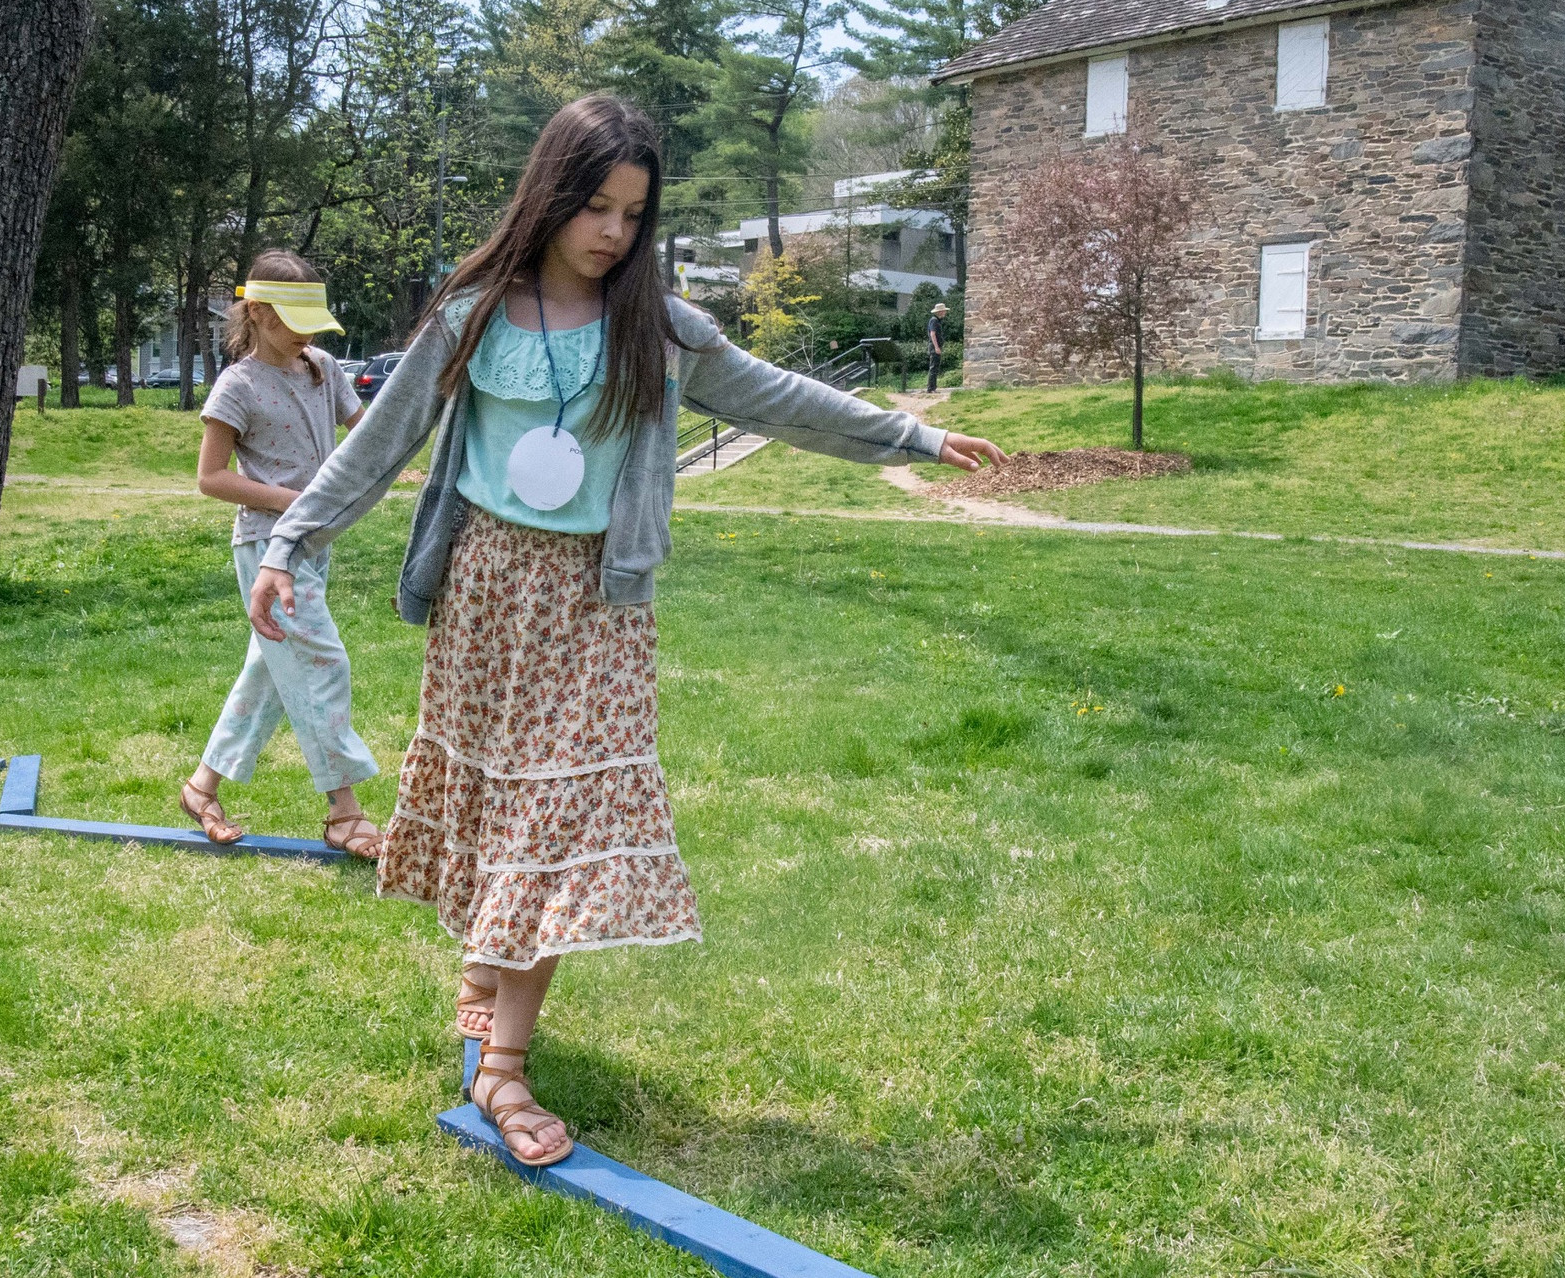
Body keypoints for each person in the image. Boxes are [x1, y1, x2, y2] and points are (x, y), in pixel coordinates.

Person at [248, 95, 1004, 1166]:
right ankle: (490, 966)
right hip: (487, 598)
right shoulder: (472, 312)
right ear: (550, 197)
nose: (612, 232)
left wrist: (913, 435)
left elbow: (778, 399)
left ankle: (504, 1066)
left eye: (633, 215)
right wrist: (291, 545)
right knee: (502, 810)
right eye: (595, 206)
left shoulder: (657, 326)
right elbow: (378, 441)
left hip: (596, 607)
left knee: (558, 825)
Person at [177, 249, 385, 858]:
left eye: (315, 318)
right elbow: (211, 478)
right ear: (260, 312)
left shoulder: (322, 366)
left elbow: (366, 433)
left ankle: (200, 788)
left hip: (315, 544)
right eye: (296, 318)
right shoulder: (236, 385)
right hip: (267, 547)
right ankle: (344, 812)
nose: (310, 332)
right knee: (322, 663)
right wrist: (294, 498)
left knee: (269, 673)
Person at [927, 301, 949, 393]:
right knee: (933, 367)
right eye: (943, 311)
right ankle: (931, 388)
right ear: (939, 312)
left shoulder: (936, 320)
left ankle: (933, 387)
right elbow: (933, 334)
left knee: (935, 367)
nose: (945, 312)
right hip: (934, 346)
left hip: (936, 346)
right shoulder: (934, 320)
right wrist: (936, 347)